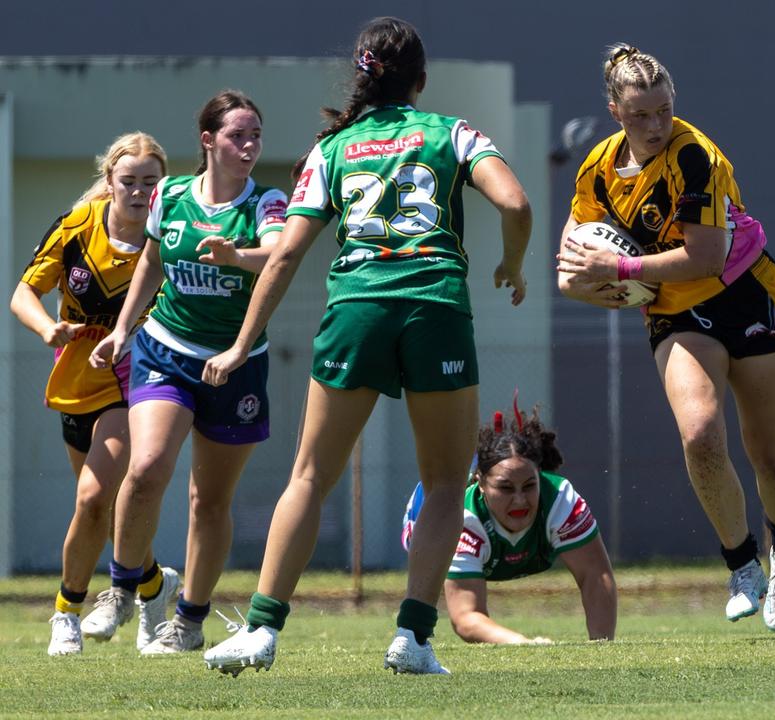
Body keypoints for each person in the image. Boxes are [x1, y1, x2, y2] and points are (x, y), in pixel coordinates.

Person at [201, 16, 531, 676]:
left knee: (309, 476)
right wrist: (512, 266)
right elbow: (516, 205)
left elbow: (287, 253)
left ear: (361, 78)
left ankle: (262, 630)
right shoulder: (452, 132)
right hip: (435, 307)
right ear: (422, 80)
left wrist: (241, 345)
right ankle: (412, 637)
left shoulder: (335, 147)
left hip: (357, 306)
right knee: (443, 483)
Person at [556, 44, 775, 632]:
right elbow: (576, 243)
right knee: (700, 437)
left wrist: (617, 273)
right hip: (676, 313)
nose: (655, 125)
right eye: (640, 115)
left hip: (748, 295)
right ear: (615, 110)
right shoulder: (599, 164)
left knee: (769, 455)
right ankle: (742, 563)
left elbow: (705, 257)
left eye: (663, 110)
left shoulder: (697, 158)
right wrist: (574, 279)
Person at [87, 91, 288, 654]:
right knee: (147, 466)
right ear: (208, 141)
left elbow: (276, 253)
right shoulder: (169, 195)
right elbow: (151, 262)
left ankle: (190, 619)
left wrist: (234, 257)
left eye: (255, 136)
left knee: (209, 501)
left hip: (236, 363)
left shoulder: (266, 202)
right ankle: (123, 587)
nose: (248, 146)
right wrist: (122, 331)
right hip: (166, 349)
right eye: (236, 136)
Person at [10, 133, 180, 656]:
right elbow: (24, 292)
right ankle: (154, 586)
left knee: (91, 496)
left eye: (150, 182)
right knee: (99, 509)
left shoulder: (170, 235)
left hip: (136, 376)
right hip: (77, 374)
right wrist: (46, 330)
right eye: (128, 181)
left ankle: (67, 612)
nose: (138, 191)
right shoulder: (79, 226)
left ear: (162, 186)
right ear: (109, 182)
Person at [401, 406, 616, 644]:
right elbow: (466, 617)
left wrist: (601, 645)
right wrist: (523, 643)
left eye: (529, 486)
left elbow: (596, 576)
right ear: (481, 483)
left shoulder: (560, 499)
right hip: (424, 520)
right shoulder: (461, 519)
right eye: (505, 488)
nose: (520, 500)